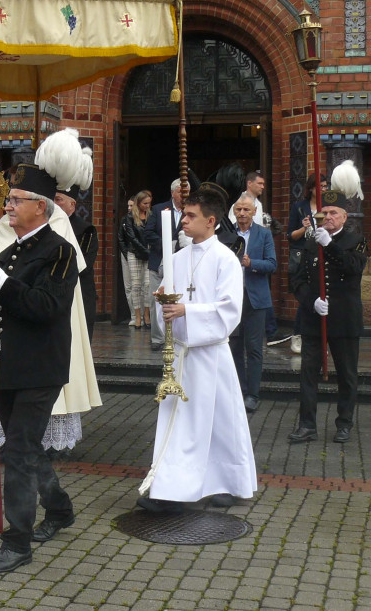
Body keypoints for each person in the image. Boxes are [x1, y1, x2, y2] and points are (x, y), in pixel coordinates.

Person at [0, 163, 79, 574]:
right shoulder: (7, 250)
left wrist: (4, 284)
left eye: (17, 200)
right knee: (27, 446)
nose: (8, 205)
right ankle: (59, 508)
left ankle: (16, 541)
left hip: (40, 366)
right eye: (10, 199)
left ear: (42, 207)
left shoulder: (60, 251)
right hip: (9, 362)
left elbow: (46, 307)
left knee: (17, 451)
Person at [136, 187, 257, 513]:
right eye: (183, 214)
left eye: (191, 216)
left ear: (212, 221)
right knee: (183, 423)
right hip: (182, 356)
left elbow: (230, 311)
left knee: (217, 423)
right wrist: (163, 306)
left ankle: (224, 483)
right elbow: (165, 314)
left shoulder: (225, 261)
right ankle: (173, 489)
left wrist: (187, 311)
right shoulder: (176, 259)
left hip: (211, 356)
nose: (183, 221)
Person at [288, 182, 367, 444]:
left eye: (334, 213)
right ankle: (307, 424)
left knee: (346, 375)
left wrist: (330, 245)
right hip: (314, 319)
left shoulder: (357, 241)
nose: (328, 218)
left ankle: (344, 423)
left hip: (344, 320)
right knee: (308, 374)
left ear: (345, 216)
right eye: (324, 213)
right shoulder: (311, 243)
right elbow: (296, 280)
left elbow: (353, 267)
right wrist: (311, 302)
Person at [229, 193, 277, 413]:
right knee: (234, 346)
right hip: (231, 298)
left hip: (256, 299)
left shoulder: (264, 234)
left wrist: (251, 263)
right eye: (238, 209)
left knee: (254, 349)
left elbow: (272, 264)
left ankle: (252, 395)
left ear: (254, 212)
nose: (242, 213)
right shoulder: (227, 234)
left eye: (246, 210)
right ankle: (238, 390)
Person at [54, 145, 97, 338]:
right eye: (53, 200)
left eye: (59, 200)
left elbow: (84, 265)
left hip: (79, 290)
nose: (55, 205)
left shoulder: (85, 229)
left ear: (72, 204)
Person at [287, 173, 328, 354]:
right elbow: (290, 236)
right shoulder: (299, 207)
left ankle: (322, 338)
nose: (324, 189)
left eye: (326, 186)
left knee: (321, 297)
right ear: (311, 188)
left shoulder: (328, 208)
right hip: (303, 257)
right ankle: (297, 335)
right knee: (306, 298)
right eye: (321, 186)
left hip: (322, 256)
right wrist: (304, 228)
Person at [144, 180, 187, 350]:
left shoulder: (192, 211)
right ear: (173, 193)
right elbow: (148, 233)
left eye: (187, 192)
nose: (184, 195)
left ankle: (177, 337)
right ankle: (157, 339)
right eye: (181, 192)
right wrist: (166, 244)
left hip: (181, 263)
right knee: (156, 300)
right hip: (158, 261)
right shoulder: (159, 209)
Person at [123, 190, 153, 329]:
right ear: (138, 203)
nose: (147, 206)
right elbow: (131, 237)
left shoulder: (151, 216)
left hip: (149, 252)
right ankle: (138, 316)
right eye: (145, 203)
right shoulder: (130, 217)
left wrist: (150, 251)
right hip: (134, 252)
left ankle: (147, 314)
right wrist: (144, 250)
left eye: (149, 203)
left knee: (147, 285)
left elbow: (153, 232)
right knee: (135, 285)